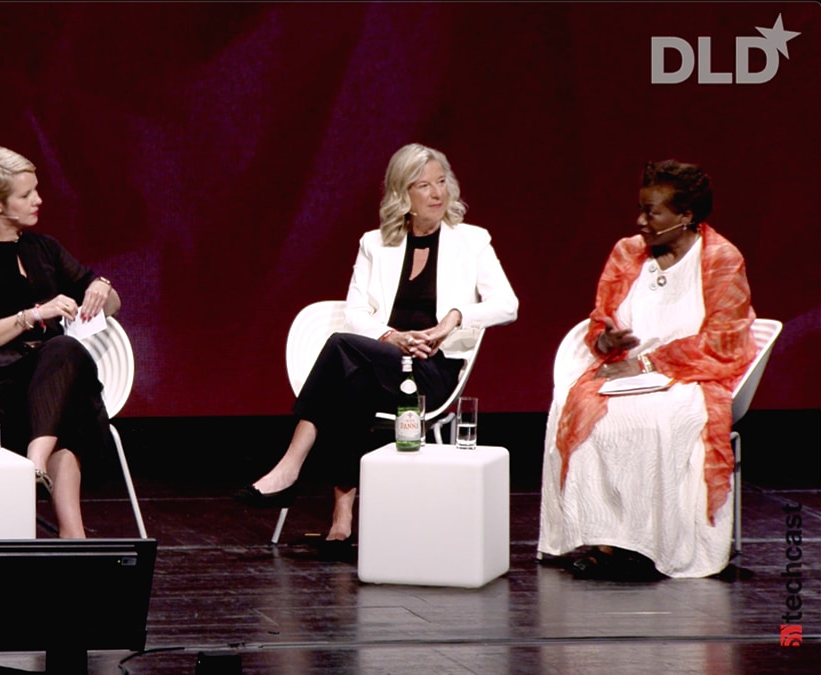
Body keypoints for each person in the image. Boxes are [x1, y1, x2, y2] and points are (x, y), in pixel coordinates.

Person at [233, 143, 519, 557]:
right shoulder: (375, 244)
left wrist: (453, 319)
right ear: (404, 195)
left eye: (442, 182)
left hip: (432, 370)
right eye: (424, 186)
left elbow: (508, 305)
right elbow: (355, 313)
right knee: (356, 377)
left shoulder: (471, 241)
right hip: (387, 360)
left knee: (341, 352)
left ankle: (292, 469)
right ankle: (342, 517)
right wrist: (393, 337)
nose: (438, 194)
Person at [537, 160, 757, 580]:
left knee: (650, 420)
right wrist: (605, 341)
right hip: (623, 369)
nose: (640, 221)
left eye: (652, 213)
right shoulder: (627, 252)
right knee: (587, 411)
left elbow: (723, 340)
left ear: (685, 216)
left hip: (692, 375)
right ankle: (604, 538)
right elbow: (601, 317)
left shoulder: (722, 259)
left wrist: (650, 362)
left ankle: (646, 545)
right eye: (640, 209)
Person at [0, 146, 120, 539]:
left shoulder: (46, 248)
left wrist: (101, 288)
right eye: (26, 195)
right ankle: (69, 526)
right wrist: (34, 315)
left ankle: (39, 472)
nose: (38, 200)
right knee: (65, 363)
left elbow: (113, 306)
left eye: (36, 190)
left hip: (51, 373)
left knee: (63, 368)